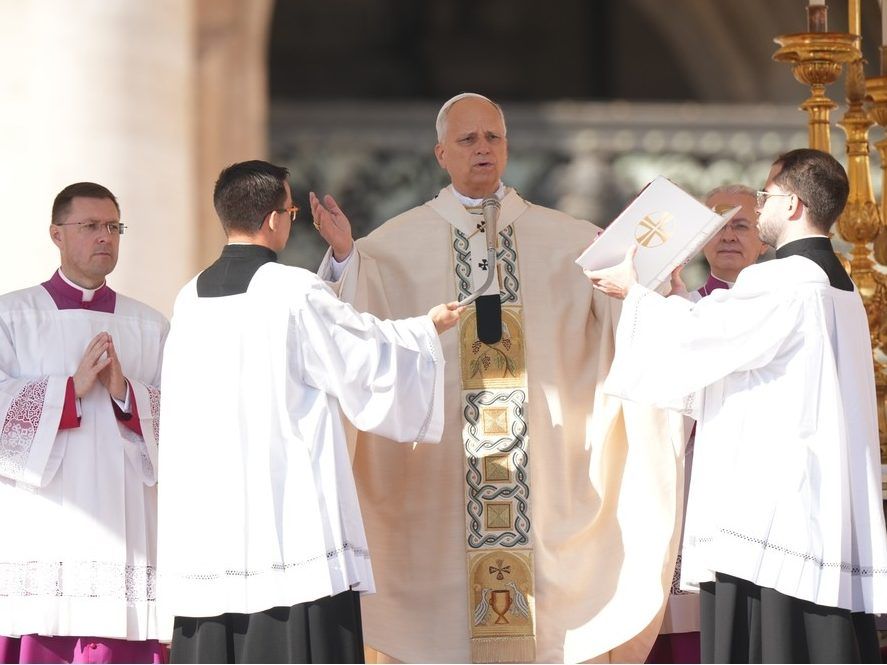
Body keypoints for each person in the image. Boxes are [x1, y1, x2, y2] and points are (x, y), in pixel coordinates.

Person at [309, 93, 686, 663]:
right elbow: (357, 326)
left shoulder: (571, 239)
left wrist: (651, 283)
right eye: (467, 140)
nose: (483, 148)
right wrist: (344, 260)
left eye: (493, 137)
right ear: (441, 153)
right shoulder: (392, 246)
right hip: (441, 478)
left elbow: (621, 321)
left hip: (546, 472)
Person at [586, 148, 887, 663]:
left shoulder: (782, 280)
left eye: (766, 197)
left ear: (792, 205)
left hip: (772, 516)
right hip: (814, 506)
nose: (762, 206)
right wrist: (675, 299)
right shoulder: (837, 288)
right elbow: (726, 344)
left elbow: (704, 342)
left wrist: (635, 295)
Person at [156, 160, 461, 664]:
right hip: (287, 518)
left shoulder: (188, 299)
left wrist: (342, 260)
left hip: (213, 525)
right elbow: (360, 357)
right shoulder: (292, 290)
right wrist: (425, 329)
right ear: (277, 219)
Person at [0, 183, 167, 663]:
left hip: (126, 523)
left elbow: (185, 419)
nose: (105, 237)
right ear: (56, 233)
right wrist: (68, 390)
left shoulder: (149, 325)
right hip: (42, 526)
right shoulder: (13, 316)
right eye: (90, 226)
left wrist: (126, 394)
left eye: (113, 227)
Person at [647, 184, 767, 665]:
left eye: (741, 224)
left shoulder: (787, 304)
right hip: (696, 486)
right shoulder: (680, 310)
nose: (728, 235)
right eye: (716, 225)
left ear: (765, 236)